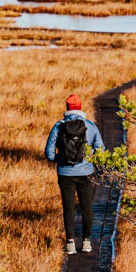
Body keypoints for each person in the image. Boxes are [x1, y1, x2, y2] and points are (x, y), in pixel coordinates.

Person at [45, 94, 105, 255]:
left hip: (65, 174)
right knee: (87, 208)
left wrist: (61, 159)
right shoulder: (90, 126)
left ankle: (70, 242)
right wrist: (89, 160)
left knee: (68, 208)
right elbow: (101, 150)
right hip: (85, 173)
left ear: (67, 108)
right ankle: (86, 241)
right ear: (79, 107)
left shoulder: (58, 126)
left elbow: (49, 153)